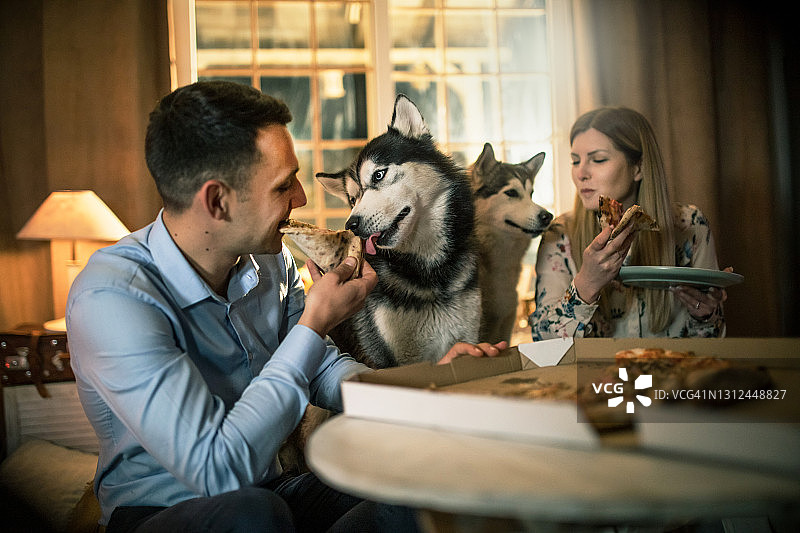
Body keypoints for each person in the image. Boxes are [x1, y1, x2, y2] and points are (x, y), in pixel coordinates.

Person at [66, 80, 505, 532]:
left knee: (426, 475)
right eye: (283, 186)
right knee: (254, 514)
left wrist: (427, 387)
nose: (302, 198)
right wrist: (314, 323)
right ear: (217, 201)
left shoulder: (270, 262)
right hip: (160, 514)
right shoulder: (112, 296)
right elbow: (217, 469)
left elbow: (323, 370)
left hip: (274, 492)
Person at [529, 106, 728, 340]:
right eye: (575, 161)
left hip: (670, 364)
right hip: (595, 367)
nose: (580, 173)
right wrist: (586, 284)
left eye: (598, 159)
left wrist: (705, 314)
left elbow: (711, 343)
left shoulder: (690, 225)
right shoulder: (559, 234)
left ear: (638, 168)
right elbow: (543, 342)